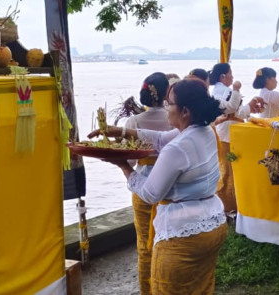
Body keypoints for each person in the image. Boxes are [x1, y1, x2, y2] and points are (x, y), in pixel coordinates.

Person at [92, 80, 227, 294]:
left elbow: (150, 194)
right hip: (212, 224)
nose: (166, 108)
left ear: (184, 111)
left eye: (169, 104)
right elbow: (160, 139)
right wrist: (119, 131)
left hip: (184, 234)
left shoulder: (177, 149)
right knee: (200, 288)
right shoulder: (204, 130)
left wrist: (123, 166)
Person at [122, 73, 174, 295]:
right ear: (165, 94)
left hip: (143, 188)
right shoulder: (174, 119)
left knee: (145, 245)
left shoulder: (134, 122)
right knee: (172, 242)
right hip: (172, 187)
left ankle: (148, 290)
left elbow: (130, 161)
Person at [209, 62, 261, 214]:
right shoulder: (224, 91)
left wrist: (249, 106)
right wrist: (239, 93)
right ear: (223, 76)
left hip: (226, 132)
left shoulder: (218, 91)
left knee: (229, 170)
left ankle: (231, 204)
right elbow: (233, 110)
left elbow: (236, 112)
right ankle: (228, 206)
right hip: (228, 134)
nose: (232, 77)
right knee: (228, 171)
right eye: (230, 73)